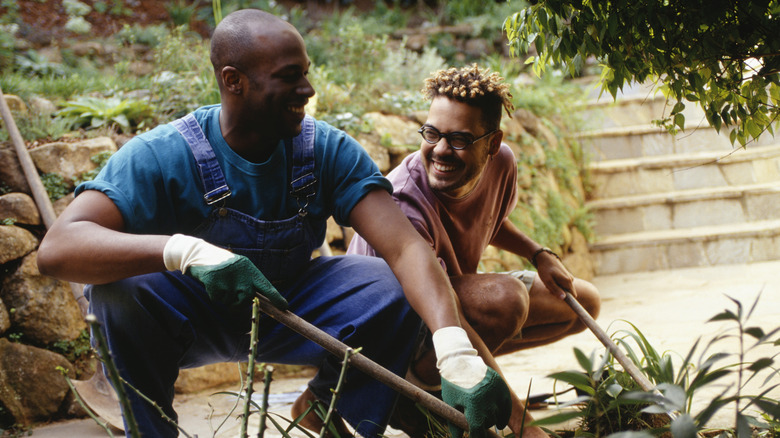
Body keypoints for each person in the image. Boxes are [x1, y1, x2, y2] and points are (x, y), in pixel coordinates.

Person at [36, 11, 512, 438]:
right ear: (233, 80)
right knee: (121, 288)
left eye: (305, 74)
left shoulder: (324, 149)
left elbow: (407, 248)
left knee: (393, 284)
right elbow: (58, 248)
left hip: (291, 305)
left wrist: (455, 350)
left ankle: (330, 413)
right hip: (188, 317)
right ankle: (152, 429)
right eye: (290, 78)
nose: (307, 90)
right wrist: (187, 251)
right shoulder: (163, 154)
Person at [348, 64, 602, 437]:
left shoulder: (501, 164)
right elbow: (446, 313)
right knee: (505, 299)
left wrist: (537, 253)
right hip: (394, 332)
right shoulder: (403, 201)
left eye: (460, 139)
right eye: (432, 133)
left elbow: (489, 218)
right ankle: (418, 397)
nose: (441, 150)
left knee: (581, 303)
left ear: (492, 144)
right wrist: (522, 425)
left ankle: (446, 384)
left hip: (445, 298)